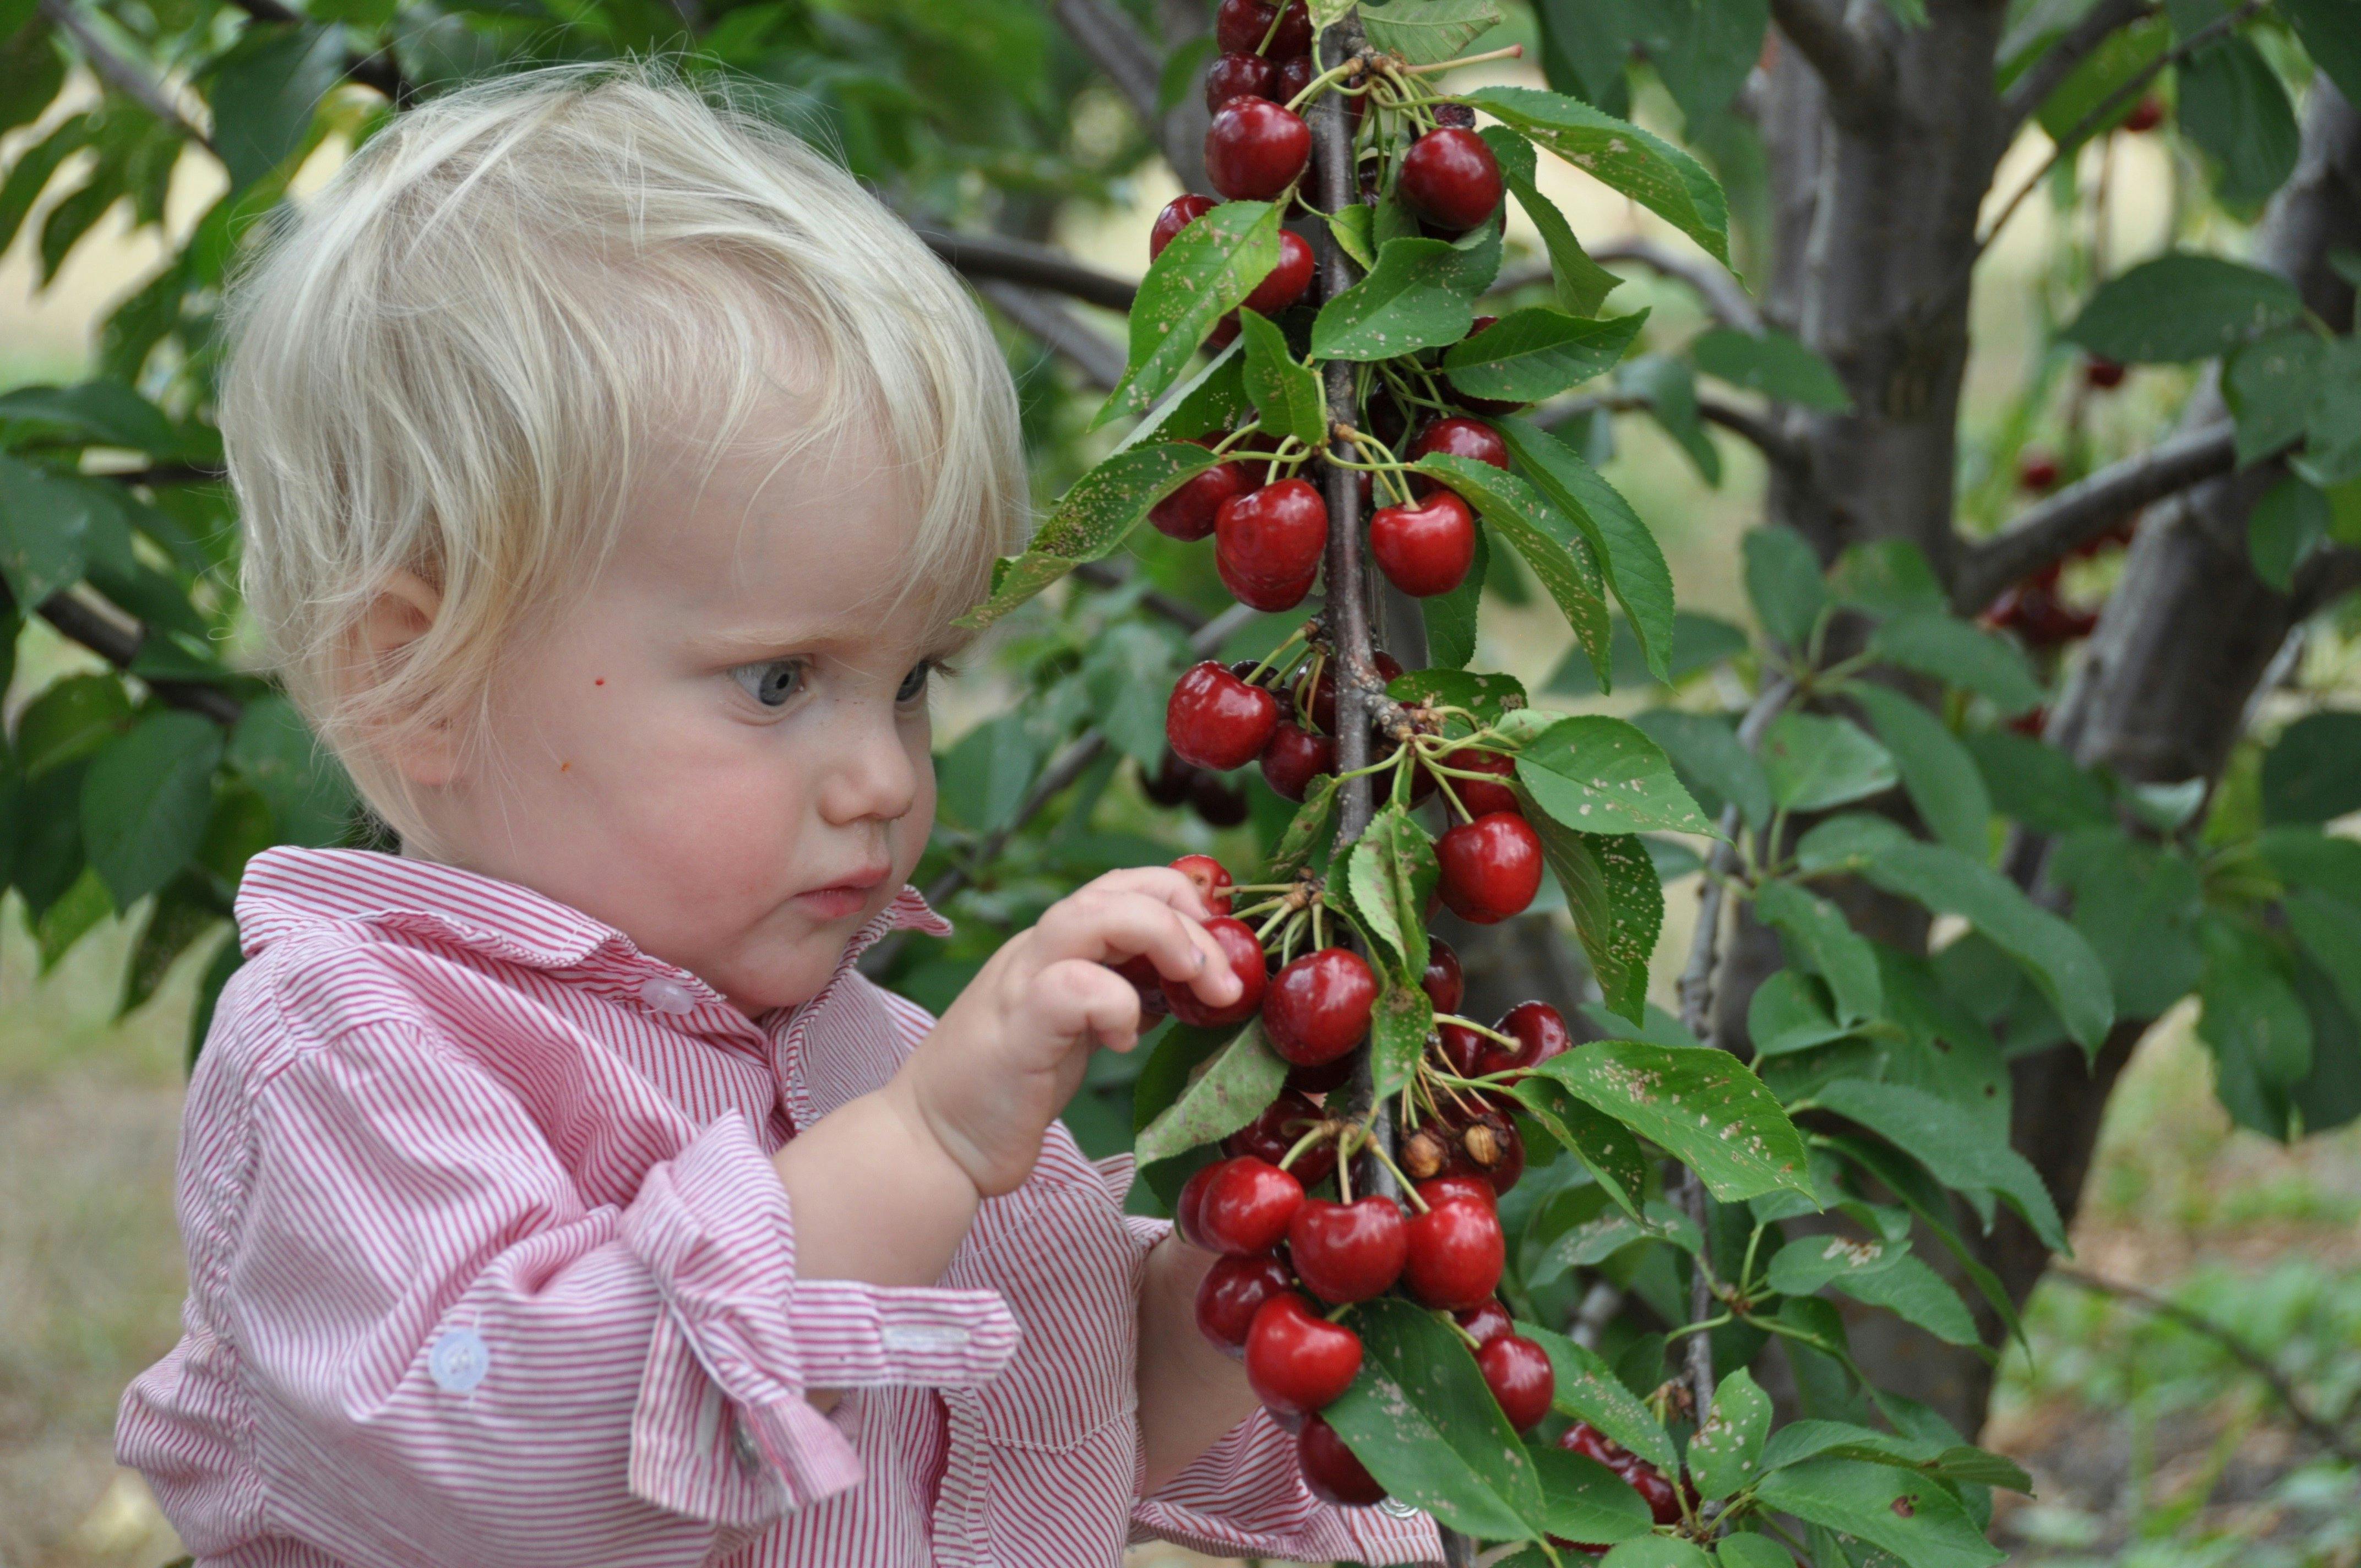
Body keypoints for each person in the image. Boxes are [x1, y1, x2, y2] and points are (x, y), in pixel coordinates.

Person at [115, 63, 1438, 1568]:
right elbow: (525, 1468)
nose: (881, 775)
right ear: (417, 675)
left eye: (913, 681)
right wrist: (927, 1149)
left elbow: (1051, 1418)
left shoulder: (863, 1055)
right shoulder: (359, 1064)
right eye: (779, 681)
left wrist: (1234, 1269)